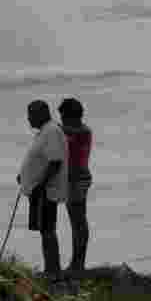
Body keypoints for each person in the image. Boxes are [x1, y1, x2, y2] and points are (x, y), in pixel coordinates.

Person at [17, 100, 68, 281]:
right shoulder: (45, 132)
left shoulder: (52, 131)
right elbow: (40, 160)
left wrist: (40, 184)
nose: (28, 119)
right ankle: (51, 268)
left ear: (41, 114)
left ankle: (53, 270)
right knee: (45, 229)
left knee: (47, 229)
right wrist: (24, 175)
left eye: (31, 115)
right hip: (40, 190)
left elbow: (55, 162)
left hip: (46, 191)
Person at [58, 97, 92, 272]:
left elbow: (68, 133)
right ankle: (77, 262)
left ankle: (78, 263)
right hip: (75, 179)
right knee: (77, 221)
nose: (61, 120)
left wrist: (55, 128)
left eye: (63, 116)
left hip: (77, 180)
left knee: (78, 222)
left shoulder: (82, 132)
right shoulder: (75, 131)